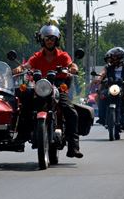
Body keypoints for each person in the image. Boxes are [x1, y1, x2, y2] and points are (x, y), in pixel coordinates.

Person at [13, 24, 82, 158]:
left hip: (58, 85)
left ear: (56, 40)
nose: (49, 41)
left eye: (52, 38)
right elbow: (27, 65)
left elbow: (71, 64)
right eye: (47, 38)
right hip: (40, 85)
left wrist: (73, 68)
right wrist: (20, 68)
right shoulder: (37, 56)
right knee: (24, 105)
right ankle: (21, 135)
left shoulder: (63, 55)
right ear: (42, 40)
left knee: (71, 111)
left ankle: (73, 147)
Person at [94, 46, 124, 130]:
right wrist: (98, 79)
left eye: (113, 57)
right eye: (111, 57)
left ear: (119, 57)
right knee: (101, 96)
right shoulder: (108, 67)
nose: (111, 59)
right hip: (111, 87)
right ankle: (102, 118)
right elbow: (102, 73)